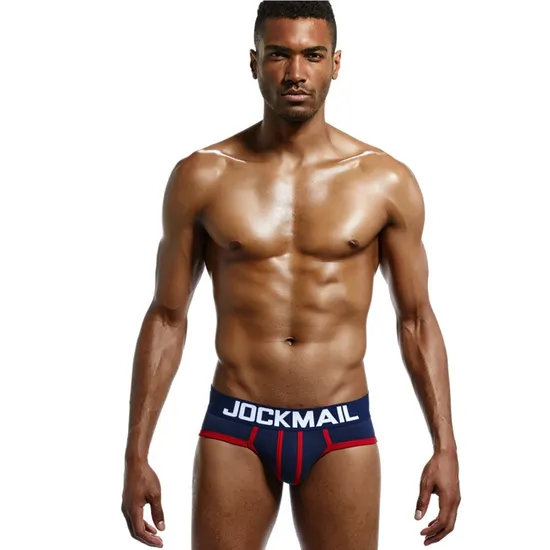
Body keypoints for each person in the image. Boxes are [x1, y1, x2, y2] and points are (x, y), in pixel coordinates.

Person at [120, 2, 461, 549]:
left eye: (313, 55)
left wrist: (445, 446)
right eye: (279, 54)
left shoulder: (384, 182)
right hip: (236, 425)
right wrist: (136, 454)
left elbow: (416, 319)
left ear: (336, 63)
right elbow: (167, 317)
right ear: (254, 62)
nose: (296, 72)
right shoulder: (202, 176)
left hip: (341, 427)